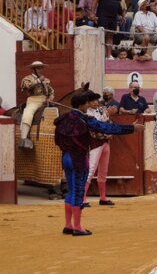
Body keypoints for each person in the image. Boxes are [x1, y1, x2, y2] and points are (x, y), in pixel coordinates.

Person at [53, 90, 134, 235]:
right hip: (78, 159)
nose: (87, 106)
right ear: (82, 105)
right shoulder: (85, 119)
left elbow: (57, 140)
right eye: (86, 103)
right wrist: (132, 128)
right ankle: (77, 227)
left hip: (66, 157)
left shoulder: (63, 119)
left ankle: (68, 225)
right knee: (78, 191)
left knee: (71, 190)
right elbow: (107, 127)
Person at [83, 87, 120, 206]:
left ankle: (103, 198)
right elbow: (97, 126)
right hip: (94, 143)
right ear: (87, 103)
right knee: (91, 170)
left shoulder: (102, 109)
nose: (95, 102)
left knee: (103, 171)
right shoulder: (87, 113)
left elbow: (110, 124)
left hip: (105, 142)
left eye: (96, 100)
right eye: (92, 101)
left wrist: (109, 130)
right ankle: (82, 198)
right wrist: (107, 115)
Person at [17, 60, 53, 149]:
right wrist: (38, 80)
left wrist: (50, 98)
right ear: (33, 69)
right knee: (28, 113)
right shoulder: (27, 79)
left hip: (45, 101)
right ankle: (24, 139)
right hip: (33, 101)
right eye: (38, 68)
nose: (41, 70)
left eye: (41, 68)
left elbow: (51, 91)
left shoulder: (46, 80)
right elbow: (27, 87)